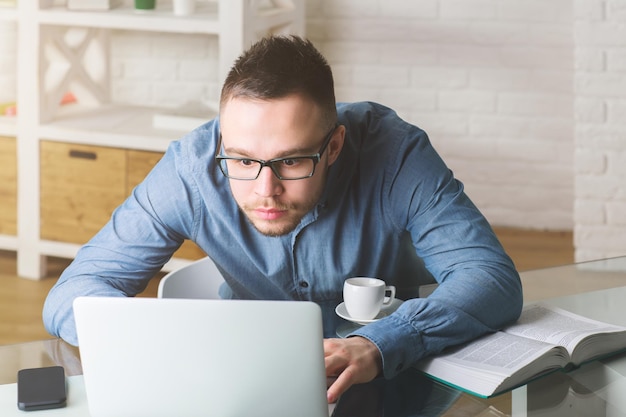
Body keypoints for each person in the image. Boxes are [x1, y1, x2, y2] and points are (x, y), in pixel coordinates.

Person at [43, 35, 523, 403]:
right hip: (240, 388)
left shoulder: (395, 152)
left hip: (385, 386)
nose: (264, 189)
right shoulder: (191, 167)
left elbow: (490, 277)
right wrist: (167, 341)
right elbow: (70, 295)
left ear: (333, 146)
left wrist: (381, 342)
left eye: (291, 161)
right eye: (242, 160)